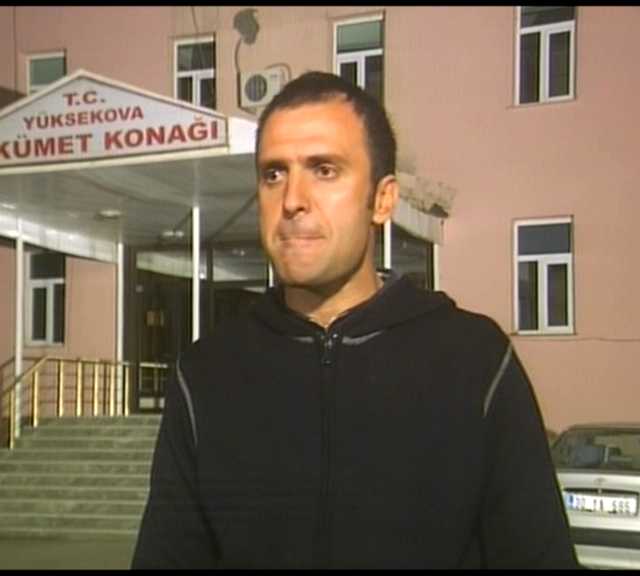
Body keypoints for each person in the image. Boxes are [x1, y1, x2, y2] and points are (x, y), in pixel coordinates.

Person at [131, 71, 579, 569]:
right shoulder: (207, 374)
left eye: (324, 170)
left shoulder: (475, 361)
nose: (292, 199)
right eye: (273, 174)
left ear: (383, 200)